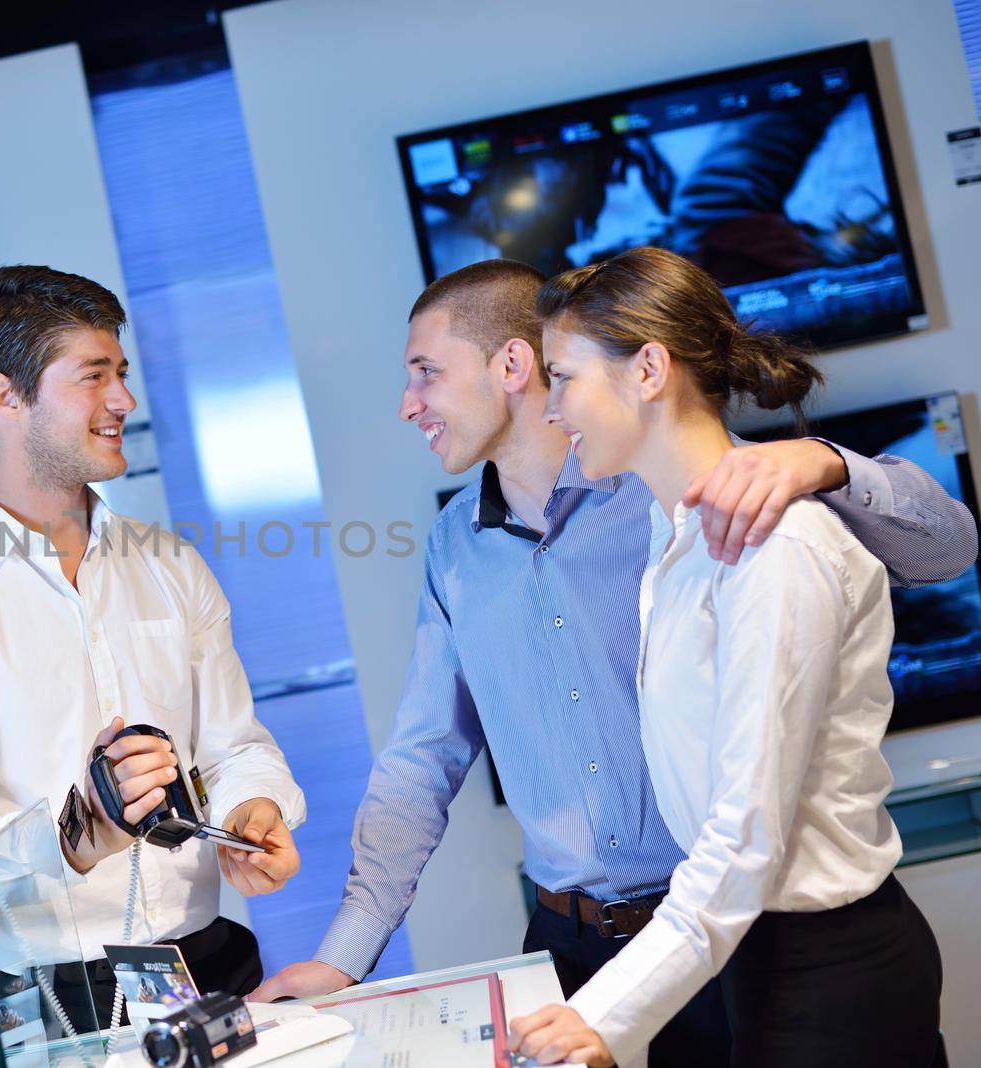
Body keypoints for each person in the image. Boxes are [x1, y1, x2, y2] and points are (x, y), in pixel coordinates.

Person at [250, 259, 974, 1067]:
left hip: (724, 925)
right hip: (578, 941)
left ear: (515, 367)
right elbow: (420, 760)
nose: (407, 403)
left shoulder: (711, 502)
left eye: (426, 371)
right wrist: (343, 955)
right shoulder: (463, 545)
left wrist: (827, 460)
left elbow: (945, 549)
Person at [506, 247, 943, 1067]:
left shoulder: (773, 545)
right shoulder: (671, 535)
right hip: (751, 954)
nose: (552, 407)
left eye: (563, 377)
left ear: (647, 370)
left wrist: (604, 1013)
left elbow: (744, 836)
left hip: (833, 971)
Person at [0, 265, 306, 1048]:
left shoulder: (172, 566)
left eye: (122, 374)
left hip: (203, 969)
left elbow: (237, 747)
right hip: (33, 1008)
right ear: (6, 397)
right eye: (93, 377)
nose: (124, 401)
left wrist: (250, 808)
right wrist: (77, 834)